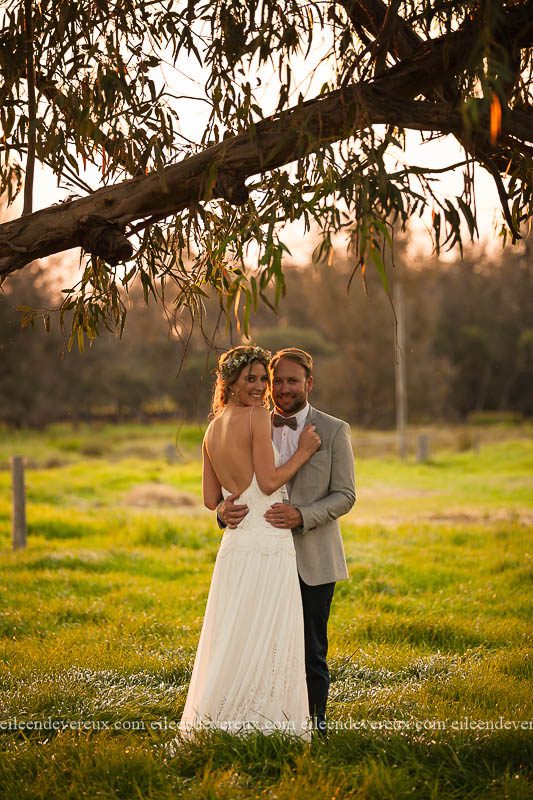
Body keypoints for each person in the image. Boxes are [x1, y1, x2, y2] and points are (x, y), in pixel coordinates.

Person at [173, 345, 321, 742]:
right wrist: (304, 451)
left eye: (262, 379)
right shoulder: (256, 417)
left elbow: (209, 499)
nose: (260, 388)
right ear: (231, 382)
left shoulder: (212, 426)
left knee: (235, 629)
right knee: (269, 628)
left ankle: (224, 719)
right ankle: (266, 725)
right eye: (250, 379)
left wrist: (225, 508)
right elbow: (270, 482)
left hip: (236, 542)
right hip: (268, 537)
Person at [219, 348, 356, 735]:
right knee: (261, 646)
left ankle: (314, 729)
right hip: (261, 558)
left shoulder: (333, 430)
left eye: (292, 380)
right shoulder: (251, 422)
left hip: (312, 558)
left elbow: (345, 495)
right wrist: (220, 513)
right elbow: (233, 488)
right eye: (276, 380)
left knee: (311, 651)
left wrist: (301, 516)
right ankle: (264, 723)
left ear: (309, 383)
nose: (281, 388)